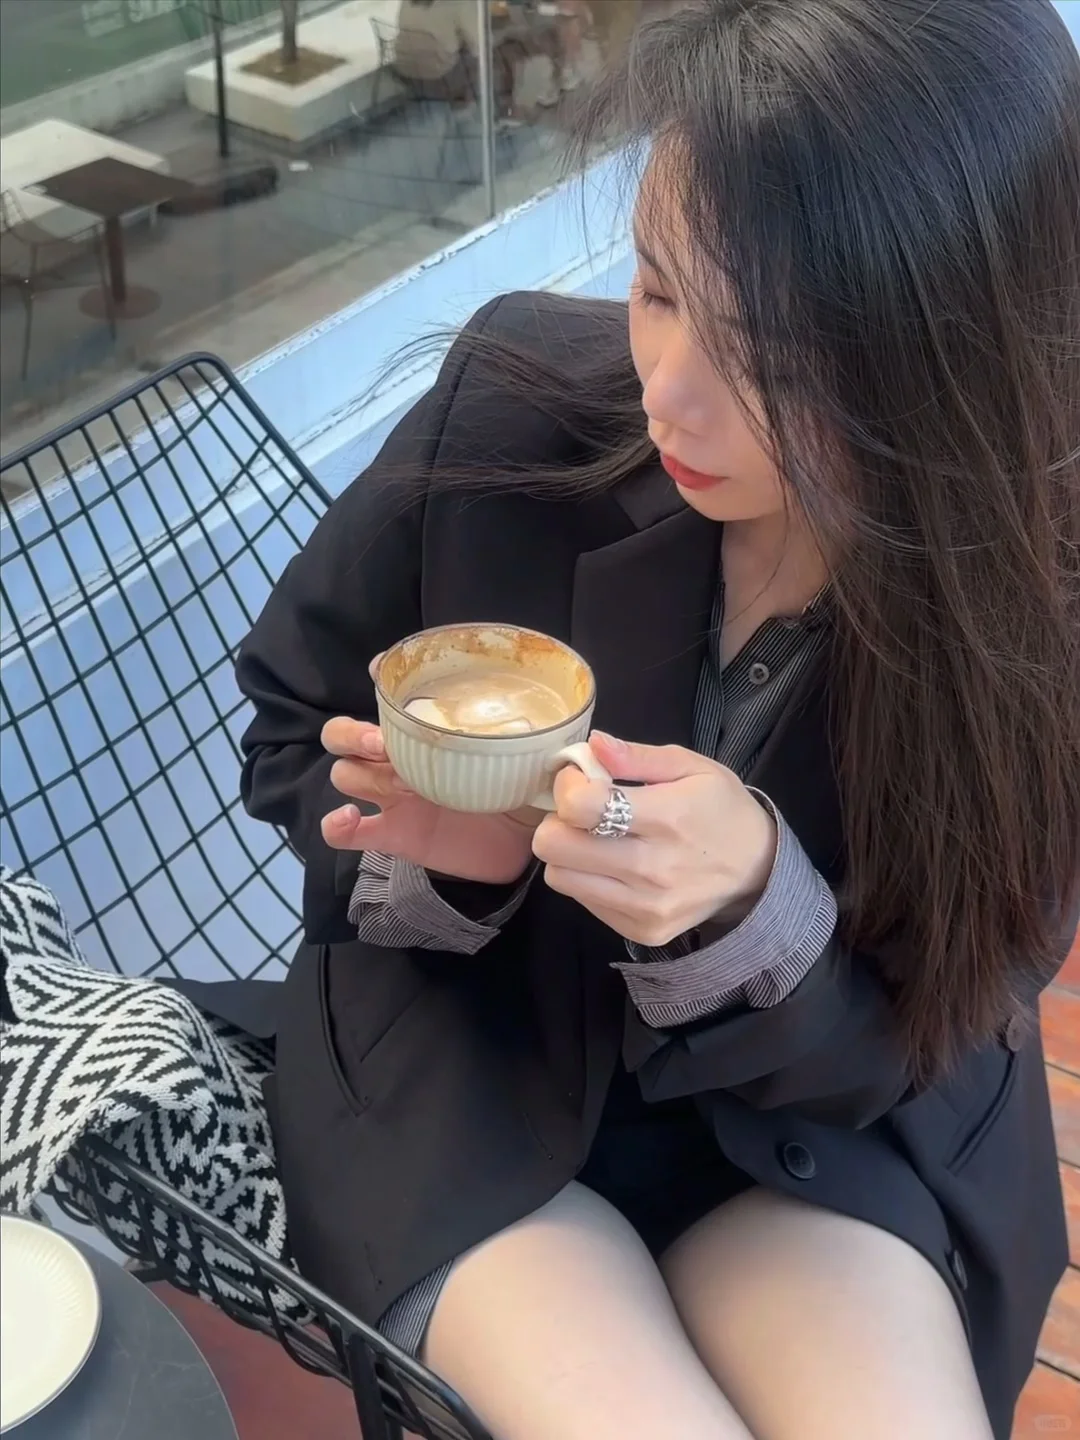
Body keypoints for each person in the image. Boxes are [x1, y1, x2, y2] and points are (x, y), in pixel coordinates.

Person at [236, 2, 1080, 1437]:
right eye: (655, 287)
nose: (670, 396)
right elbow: (290, 720)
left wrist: (758, 912)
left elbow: (927, 1030)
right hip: (473, 1070)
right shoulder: (514, 415)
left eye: (776, 361)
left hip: (810, 1133)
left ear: (953, 362)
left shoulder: (1034, 611)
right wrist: (450, 867)